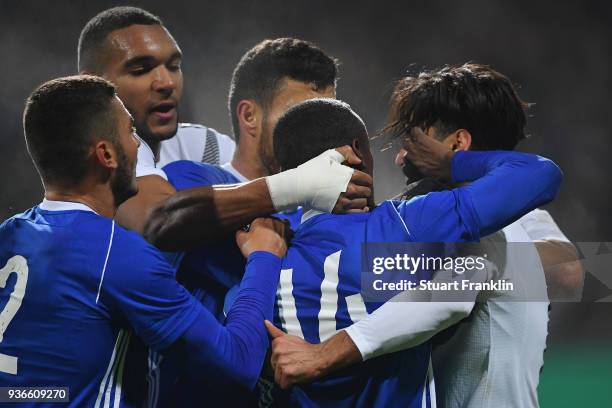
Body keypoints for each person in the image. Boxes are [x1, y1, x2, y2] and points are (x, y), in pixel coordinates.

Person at [267, 64, 581, 408]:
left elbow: (447, 296)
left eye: (413, 142)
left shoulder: (477, 232)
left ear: (457, 144)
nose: (401, 157)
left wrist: (325, 353)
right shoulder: (513, 220)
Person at [0, 75, 290, 407]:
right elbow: (238, 362)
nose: (139, 144)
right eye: (130, 131)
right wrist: (264, 256)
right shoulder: (116, 253)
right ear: (107, 154)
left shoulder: (9, 233)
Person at [77, 7, 372, 240]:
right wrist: (297, 187)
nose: (321, 130)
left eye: (329, 112)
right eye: (300, 113)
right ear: (249, 116)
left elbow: (398, 285)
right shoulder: (189, 180)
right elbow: (160, 220)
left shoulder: (204, 145)